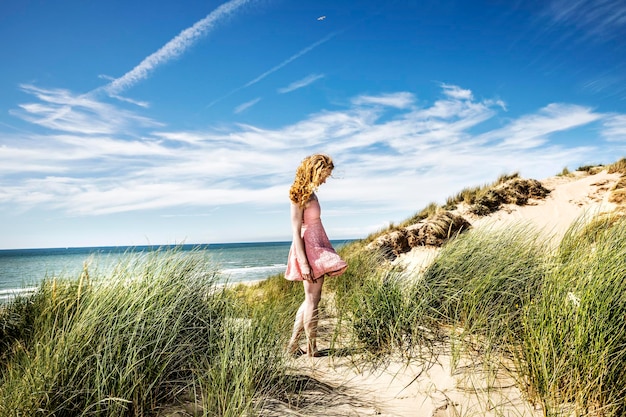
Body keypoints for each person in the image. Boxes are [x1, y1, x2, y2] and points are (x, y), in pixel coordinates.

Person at [285, 153, 348, 357]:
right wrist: (304, 264)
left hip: (316, 244)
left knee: (309, 299)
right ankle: (311, 348)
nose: (326, 179)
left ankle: (293, 346)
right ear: (315, 170)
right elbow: (296, 231)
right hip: (308, 249)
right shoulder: (298, 195)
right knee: (313, 300)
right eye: (325, 174)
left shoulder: (311, 193)